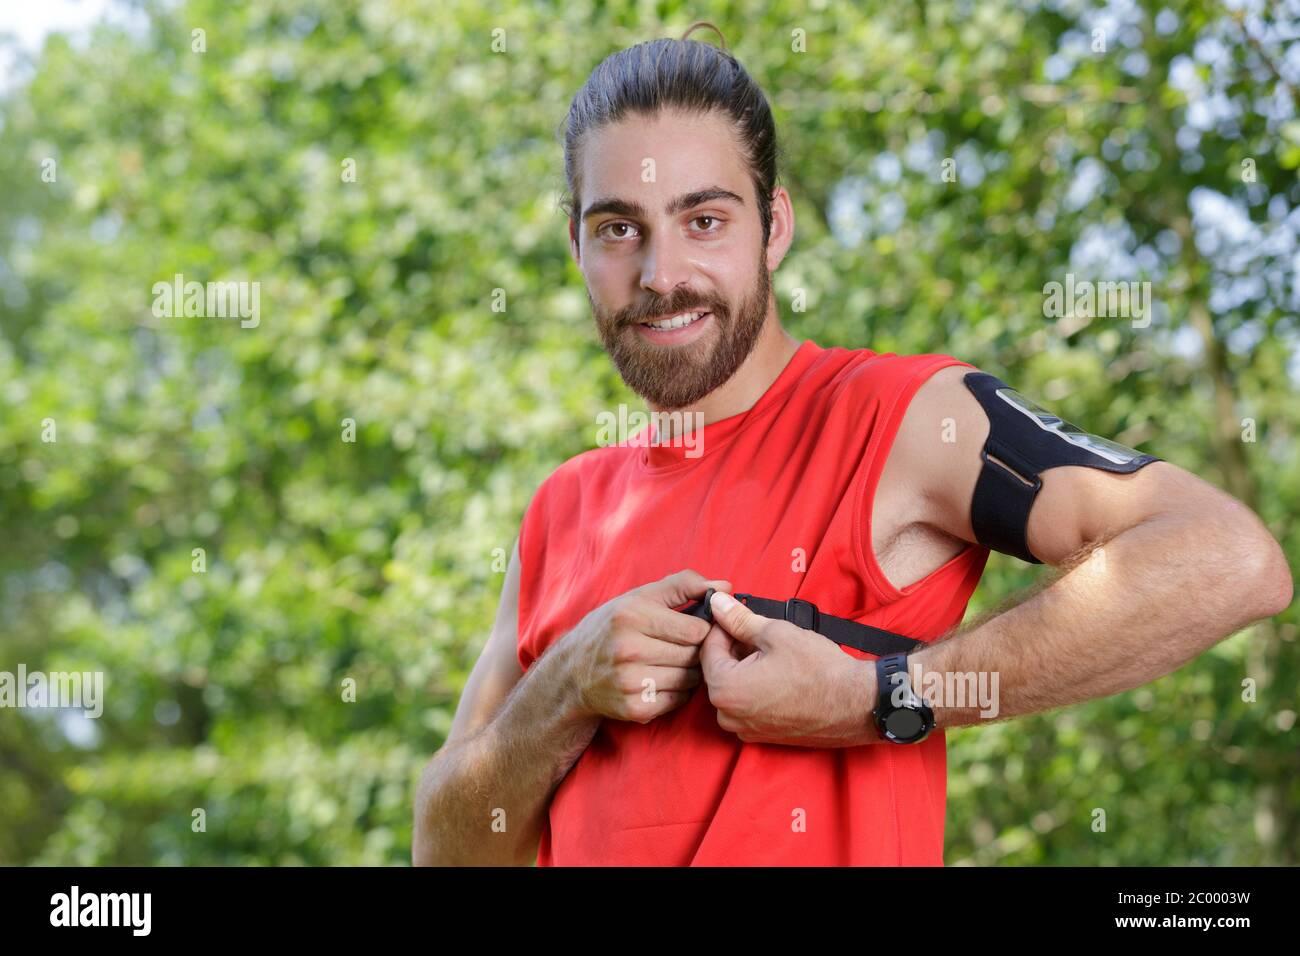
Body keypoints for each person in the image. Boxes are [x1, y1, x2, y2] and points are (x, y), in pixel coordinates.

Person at [413, 23, 1292, 866]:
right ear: (576, 244)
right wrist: (563, 688)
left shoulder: (898, 416)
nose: (661, 273)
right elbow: (446, 851)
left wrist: (877, 697)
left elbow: (1226, 558)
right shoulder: (564, 509)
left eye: (705, 220)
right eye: (618, 228)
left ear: (776, 228)